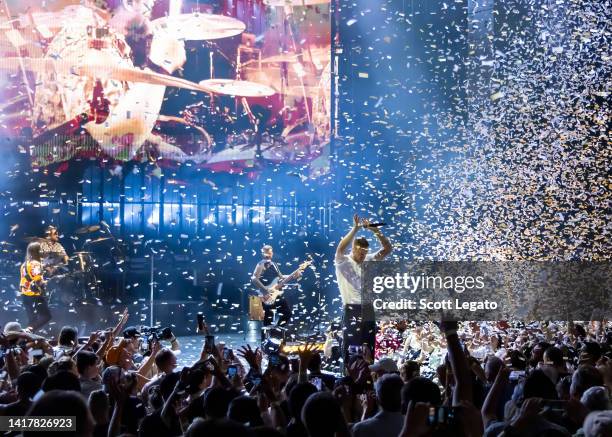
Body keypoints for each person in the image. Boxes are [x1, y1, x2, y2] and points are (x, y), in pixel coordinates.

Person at [335, 214, 392, 363]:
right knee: (352, 349)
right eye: (360, 253)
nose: (362, 256)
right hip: (352, 310)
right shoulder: (343, 261)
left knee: (368, 348)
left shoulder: (369, 259)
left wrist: (376, 231)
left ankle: (369, 379)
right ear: (353, 249)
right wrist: (355, 229)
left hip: (368, 309)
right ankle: (350, 378)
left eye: (365, 253)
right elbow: (340, 248)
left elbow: (387, 249)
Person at [251, 245, 294, 336]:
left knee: (287, 313)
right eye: (266, 253)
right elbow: (254, 278)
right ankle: (267, 340)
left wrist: (293, 275)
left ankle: (277, 331)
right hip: (267, 295)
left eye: (270, 253)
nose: (268, 255)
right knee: (269, 318)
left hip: (276, 294)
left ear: (272, 253)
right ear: (262, 253)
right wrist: (265, 291)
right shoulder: (261, 264)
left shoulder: (274, 264)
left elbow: (281, 277)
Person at [19, 242, 51, 332]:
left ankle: (26, 337)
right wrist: (49, 282)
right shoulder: (36, 264)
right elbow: (38, 281)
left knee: (32, 320)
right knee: (46, 316)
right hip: (34, 295)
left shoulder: (24, 264)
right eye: (41, 250)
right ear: (36, 252)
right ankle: (27, 332)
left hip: (25, 295)